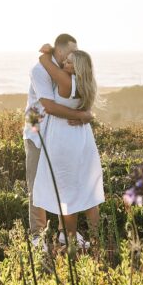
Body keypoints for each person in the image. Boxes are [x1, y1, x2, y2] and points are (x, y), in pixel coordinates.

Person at [30, 47, 106, 249]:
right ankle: (98, 240)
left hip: (64, 141)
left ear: (79, 68)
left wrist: (48, 51)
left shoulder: (66, 82)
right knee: (88, 192)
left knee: (66, 192)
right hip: (83, 138)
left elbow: (44, 61)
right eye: (66, 61)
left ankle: (70, 239)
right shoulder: (87, 84)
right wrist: (85, 116)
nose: (65, 65)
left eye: (70, 62)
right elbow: (86, 112)